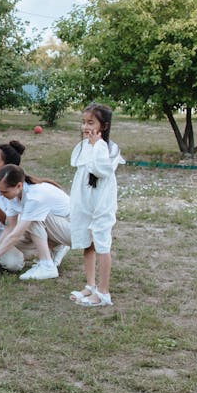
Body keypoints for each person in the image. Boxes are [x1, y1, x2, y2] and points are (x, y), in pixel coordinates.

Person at [69, 103, 125, 307]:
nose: (85, 127)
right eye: (83, 122)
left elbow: (101, 170)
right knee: (87, 243)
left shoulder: (108, 148)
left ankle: (103, 291)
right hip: (85, 202)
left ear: (104, 125)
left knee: (102, 244)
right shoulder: (84, 146)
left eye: (90, 122)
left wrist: (96, 146)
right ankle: (91, 284)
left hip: (101, 203)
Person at [0, 164, 71, 280]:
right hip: (58, 229)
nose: (0, 195)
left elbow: (15, 235)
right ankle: (54, 250)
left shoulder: (34, 196)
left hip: (74, 232)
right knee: (18, 229)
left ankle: (47, 266)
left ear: (19, 186)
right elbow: (9, 230)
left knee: (29, 220)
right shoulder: (13, 196)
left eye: (4, 191)